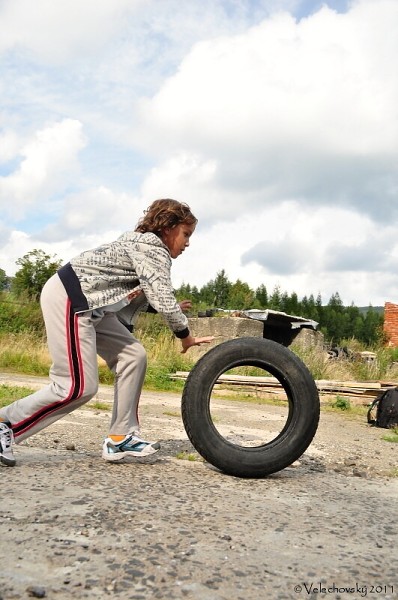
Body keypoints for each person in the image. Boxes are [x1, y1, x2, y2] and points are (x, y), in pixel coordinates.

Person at [0, 199, 213, 467]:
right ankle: (6, 424)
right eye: (186, 234)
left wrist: (160, 306)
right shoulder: (153, 248)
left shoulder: (143, 247)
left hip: (93, 307)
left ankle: (120, 437)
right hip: (71, 298)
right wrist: (186, 336)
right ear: (168, 228)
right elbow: (163, 298)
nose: (188, 243)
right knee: (76, 387)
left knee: (133, 356)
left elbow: (133, 292)